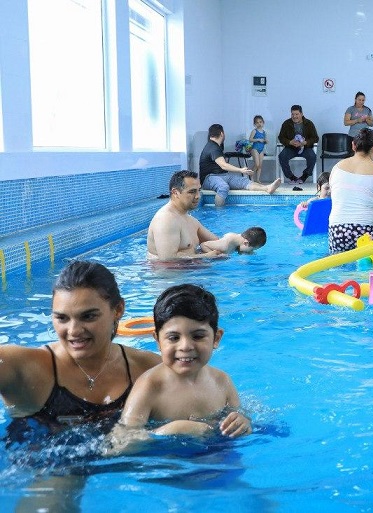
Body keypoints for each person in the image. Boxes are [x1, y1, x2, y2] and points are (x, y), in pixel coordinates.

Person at [0, 261, 162, 443]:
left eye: (88, 316)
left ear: (118, 310)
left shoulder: (147, 369)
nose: (73, 331)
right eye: (62, 318)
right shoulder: (26, 369)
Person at [111, 284, 251, 446]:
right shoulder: (149, 387)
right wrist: (168, 431)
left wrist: (243, 423)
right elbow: (120, 443)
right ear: (157, 341)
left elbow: (242, 420)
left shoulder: (222, 381)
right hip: (169, 466)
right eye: (173, 338)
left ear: (216, 338)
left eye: (198, 336)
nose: (185, 346)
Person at [328, 128, 373, 253]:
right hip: (368, 231)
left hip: (338, 230)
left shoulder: (336, 169)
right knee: (368, 270)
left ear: (353, 145)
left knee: (338, 269)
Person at [199, 124, 281, 207]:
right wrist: (241, 170)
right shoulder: (212, 147)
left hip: (223, 176)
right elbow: (223, 165)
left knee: (244, 181)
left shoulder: (216, 146)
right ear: (221, 133)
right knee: (223, 187)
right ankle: (219, 214)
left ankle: (267, 188)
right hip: (209, 178)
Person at [148, 170, 222, 260]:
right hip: (169, 273)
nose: (198, 196)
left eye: (199, 190)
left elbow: (217, 242)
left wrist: (236, 241)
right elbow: (167, 259)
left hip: (190, 271)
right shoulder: (165, 219)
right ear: (175, 193)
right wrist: (206, 256)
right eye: (192, 192)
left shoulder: (190, 220)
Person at [277, 105, 320, 187]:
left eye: (296, 114)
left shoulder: (309, 123)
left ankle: (304, 176)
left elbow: (315, 138)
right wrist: (289, 142)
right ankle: (291, 177)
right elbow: (281, 137)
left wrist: (305, 142)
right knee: (282, 156)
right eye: (292, 114)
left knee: (312, 156)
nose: (294, 116)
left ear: (301, 114)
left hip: (305, 148)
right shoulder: (286, 123)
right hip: (291, 148)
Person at [197, 227, 267, 255]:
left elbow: (241, 248)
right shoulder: (225, 246)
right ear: (246, 243)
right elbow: (203, 245)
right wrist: (213, 254)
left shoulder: (238, 239)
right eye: (252, 249)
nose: (251, 251)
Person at [247, 115, 268, 182]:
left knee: (260, 166)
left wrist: (265, 141)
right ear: (254, 124)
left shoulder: (264, 132)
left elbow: (264, 141)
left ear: (263, 122)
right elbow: (250, 139)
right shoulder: (254, 131)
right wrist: (258, 139)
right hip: (255, 149)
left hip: (261, 150)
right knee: (257, 164)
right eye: (257, 122)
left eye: (260, 122)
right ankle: (251, 176)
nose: (259, 124)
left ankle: (258, 179)